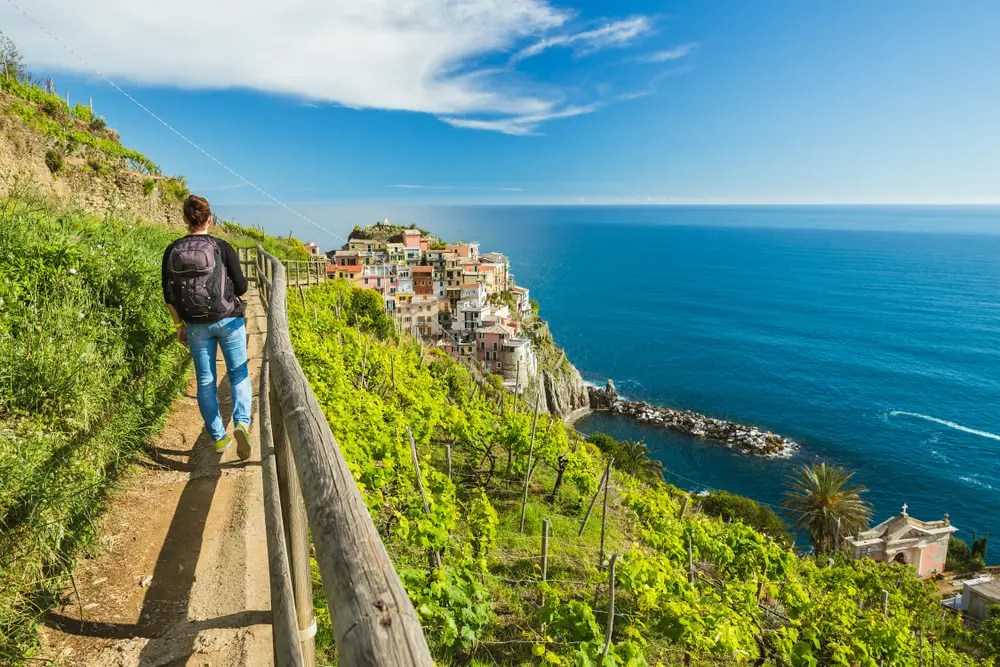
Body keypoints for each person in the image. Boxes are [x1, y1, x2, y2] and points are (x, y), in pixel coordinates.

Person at [162, 195, 252, 460]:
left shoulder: (172, 250)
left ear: (185, 220)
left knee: (205, 380)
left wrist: (178, 325)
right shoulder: (221, 246)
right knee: (238, 373)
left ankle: (218, 437)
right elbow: (243, 287)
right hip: (228, 319)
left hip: (195, 325)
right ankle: (242, 423)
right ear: (210, 219)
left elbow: (168, 294)